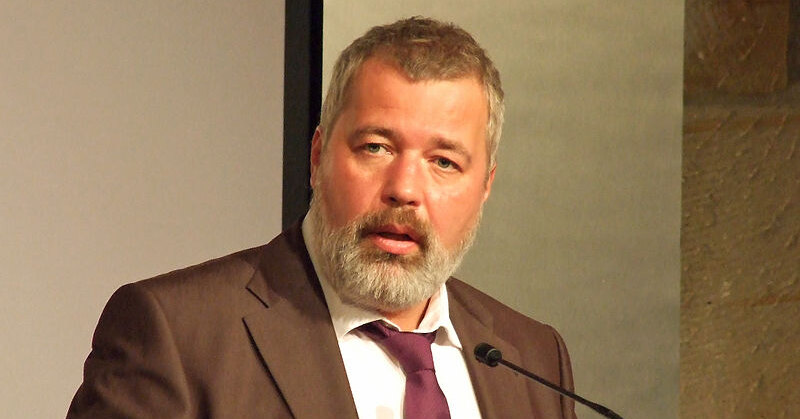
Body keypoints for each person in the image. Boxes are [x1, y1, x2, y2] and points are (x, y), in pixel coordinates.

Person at [68, 17, 576, 419]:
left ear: (485, 186)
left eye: (443, 162)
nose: (404, 189)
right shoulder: (177, 335)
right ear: (317, 157)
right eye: (375, 147)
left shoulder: (532, 358)